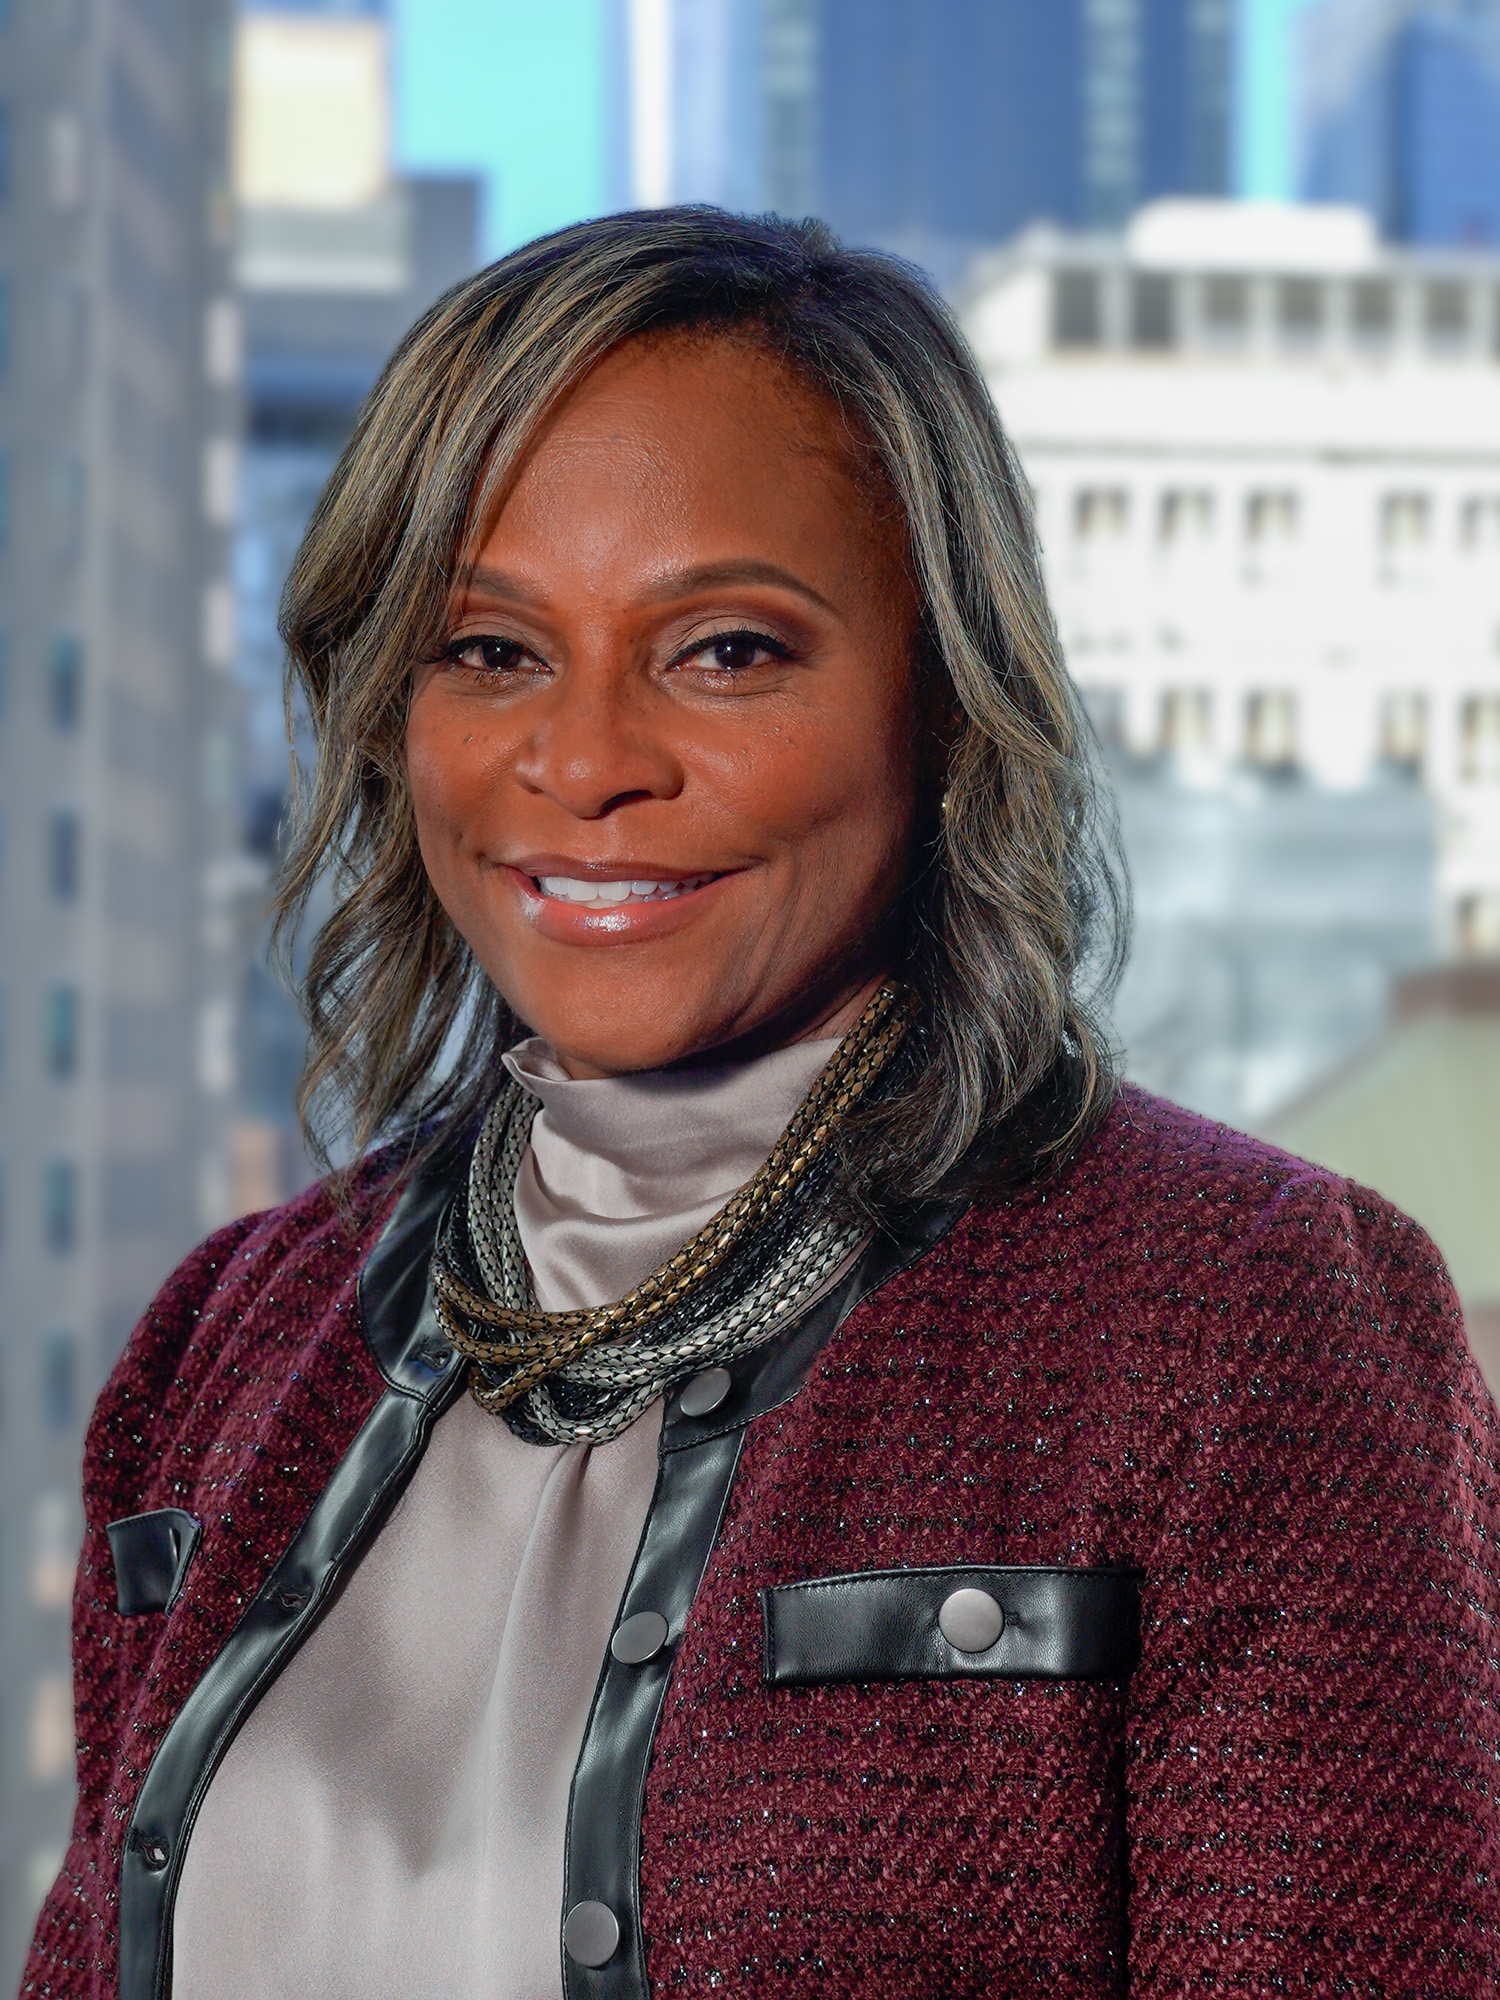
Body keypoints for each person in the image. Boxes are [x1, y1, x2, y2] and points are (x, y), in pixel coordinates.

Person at [24, 209, 1500, 2000]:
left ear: (947, 699)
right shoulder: (223, 1344)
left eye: (725, 649)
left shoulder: (1245, 1312)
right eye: (489, 650)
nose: (584, 765)